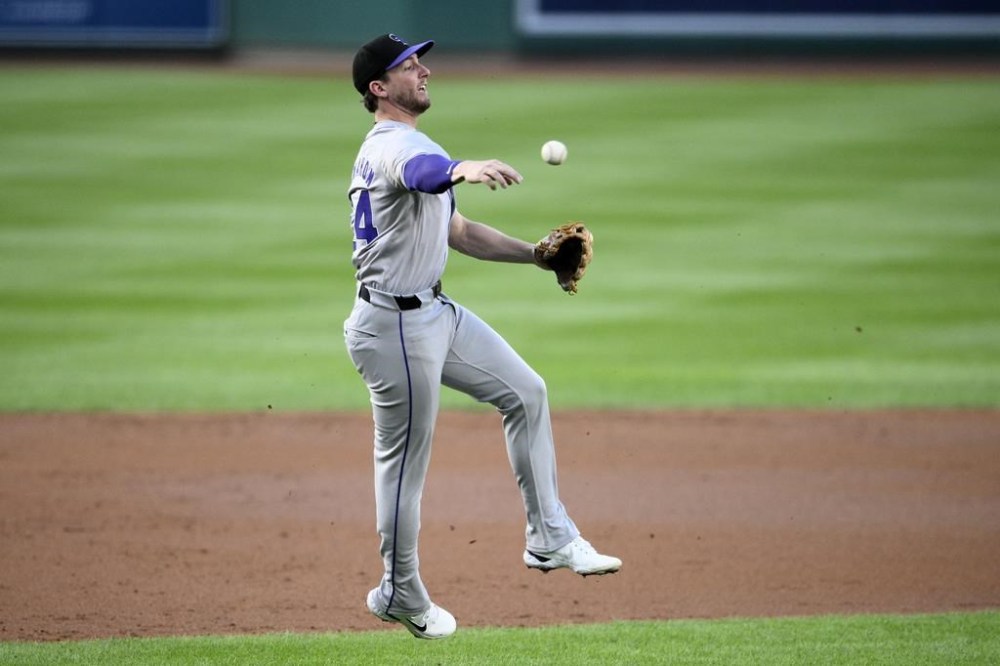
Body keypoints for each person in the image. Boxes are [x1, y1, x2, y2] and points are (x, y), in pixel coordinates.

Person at [344, 33, 621, 640]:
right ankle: (398, 591)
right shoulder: (393, 147)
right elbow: (423, 174)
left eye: (420, 60)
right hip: (392, 328)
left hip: (432, 315)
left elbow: (460, 231)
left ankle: (550, 538)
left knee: (526, 391)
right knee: (404, 468)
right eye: (407, 65)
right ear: (378, 88)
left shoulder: (413, 142)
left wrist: (536, 257)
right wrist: (461, 168)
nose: (423, 70)